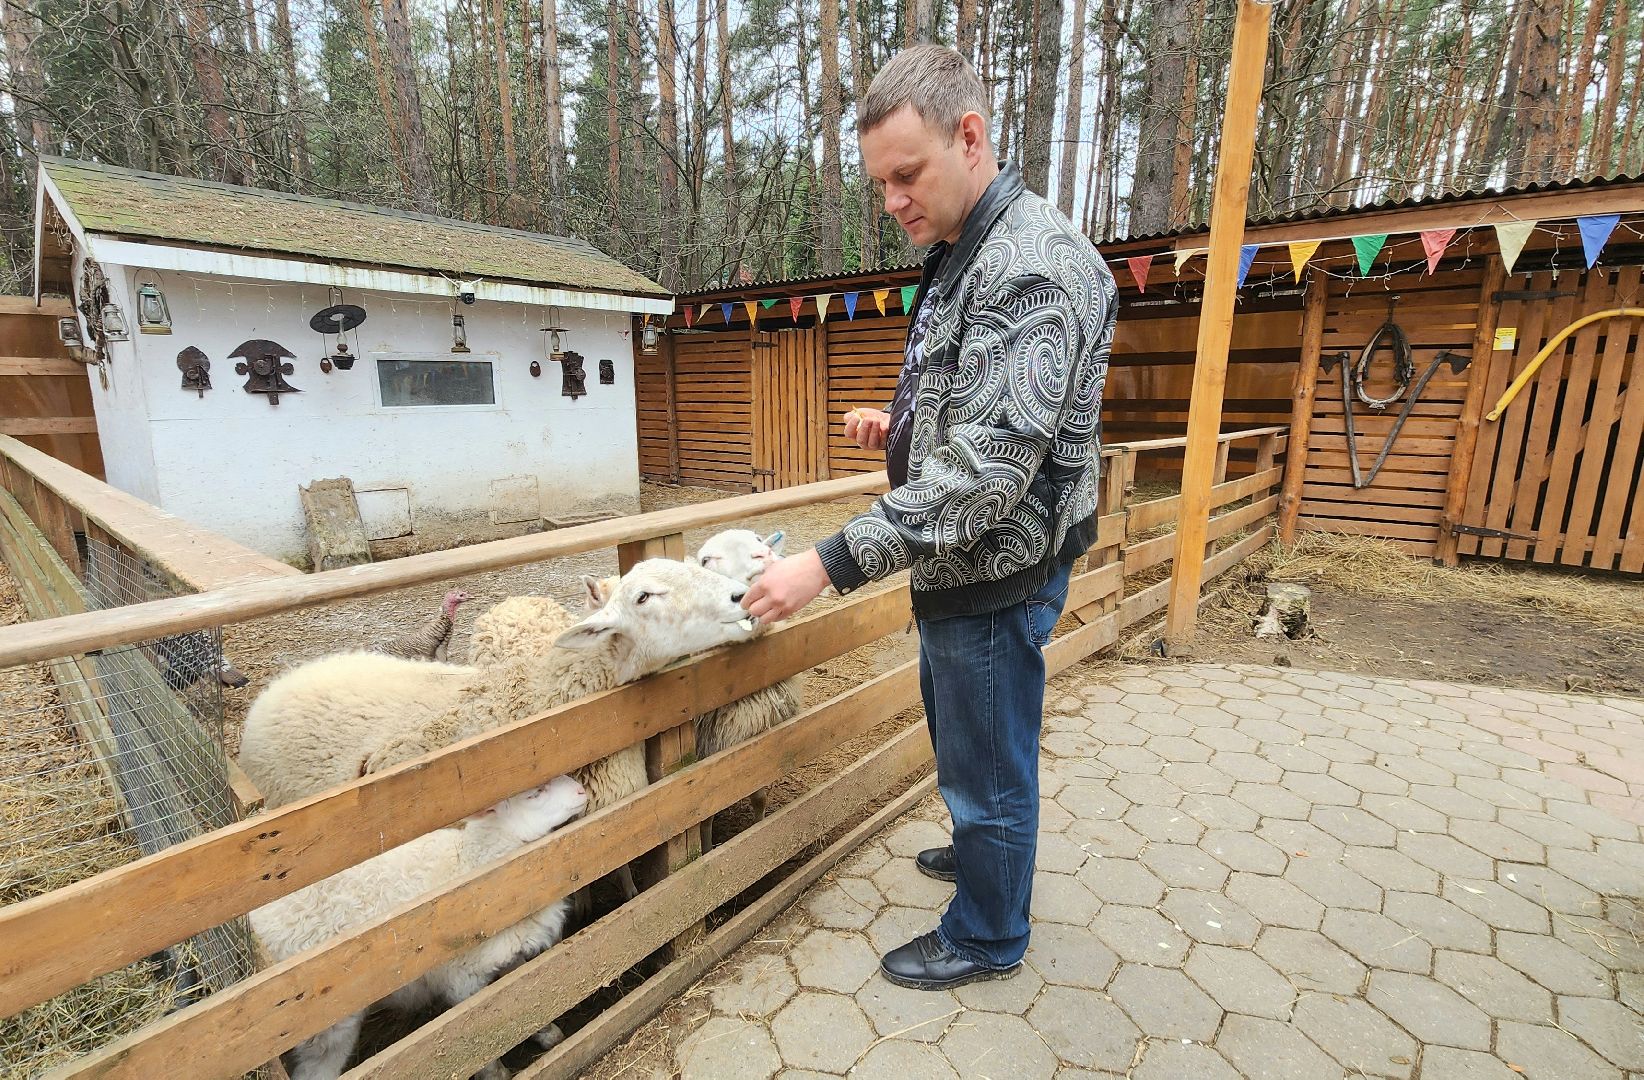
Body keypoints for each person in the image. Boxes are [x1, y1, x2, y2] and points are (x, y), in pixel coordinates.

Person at [740, 44, 1117, 990]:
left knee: (988, 759)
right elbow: (974, 394)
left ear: (972, 136)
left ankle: (990, 932)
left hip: (996, 566)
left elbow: (988, 472)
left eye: (907, 174)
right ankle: (985, 849)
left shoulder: (1032, 269)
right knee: (966, 735)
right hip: (961, 565)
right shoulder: (968, 248)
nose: (894, 200)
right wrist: (900, 425)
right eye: (880, 184)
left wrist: (824, 563)